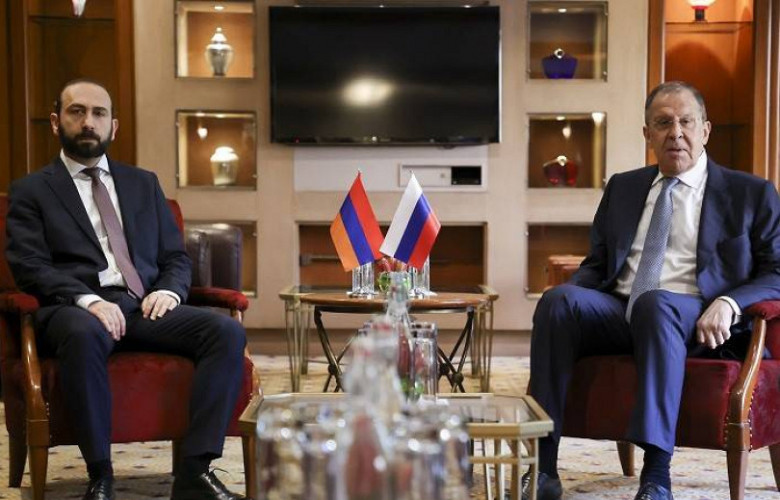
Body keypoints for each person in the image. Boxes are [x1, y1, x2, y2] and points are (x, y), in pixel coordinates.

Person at [525, 81, 780, 500]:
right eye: (663, 123)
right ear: (648, 134)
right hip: (621, 309)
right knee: (558, 301)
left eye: (686, 122)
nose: (675, 133)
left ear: (705, 131)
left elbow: (776, 271)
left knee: (656, 304)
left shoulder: (750, 193)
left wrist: (730, 302)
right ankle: (543, 467)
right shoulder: (623, 187)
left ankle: (657, 476)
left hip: (694, 317)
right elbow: (597, 265)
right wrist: (573, 300)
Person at [5, 79, 247, 500]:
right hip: (73, 309)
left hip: (142, 306)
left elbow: (175, 257)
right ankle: (100, 475)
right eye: (77, 111)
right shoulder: (32, 191)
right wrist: (89, 300)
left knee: (224, 332)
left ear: (113, 126)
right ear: (56, 122)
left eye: (99, 113)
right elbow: (30, 266)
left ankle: (195, 471)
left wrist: (169, 291)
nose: (88, 122)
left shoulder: (143, 184)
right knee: (83, 333)